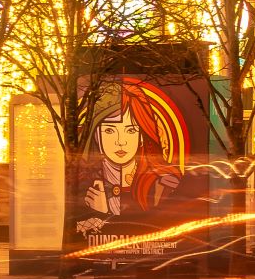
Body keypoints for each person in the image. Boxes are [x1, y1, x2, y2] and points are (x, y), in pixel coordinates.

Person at [72, 79, 188, 243]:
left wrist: (104, 213)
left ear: (142, 135)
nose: (121, 141)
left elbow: (157, 227)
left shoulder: (163, 185)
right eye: (110, 130)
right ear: (96, 135)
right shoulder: (84, 183)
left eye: (131, 130)